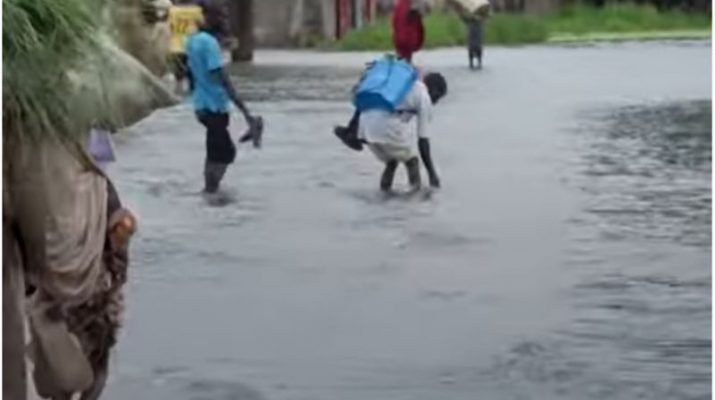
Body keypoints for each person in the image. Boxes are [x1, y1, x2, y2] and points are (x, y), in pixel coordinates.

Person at [185, 0, 259, 193]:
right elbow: (222, 78)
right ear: (211, 18)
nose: (225, 21)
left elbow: (190, 75)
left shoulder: (192, 40)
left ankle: (210, 190)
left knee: (216, 150)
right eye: (221, 16)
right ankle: (210, 191)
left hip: (201, 105)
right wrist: (244, 110)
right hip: (214, 106)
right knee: (224, 153)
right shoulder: (209, 44)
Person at [358, 72, 447, 191]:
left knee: (392, 160)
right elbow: (423, 141)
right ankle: (416, 199)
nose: (435, 103)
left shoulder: (409, 85)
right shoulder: (424, 96)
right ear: (435, 91)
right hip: (382, 127)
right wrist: (432, 173)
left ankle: (384, 195)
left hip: (365, 125)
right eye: (437, 98)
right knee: (412, 161)